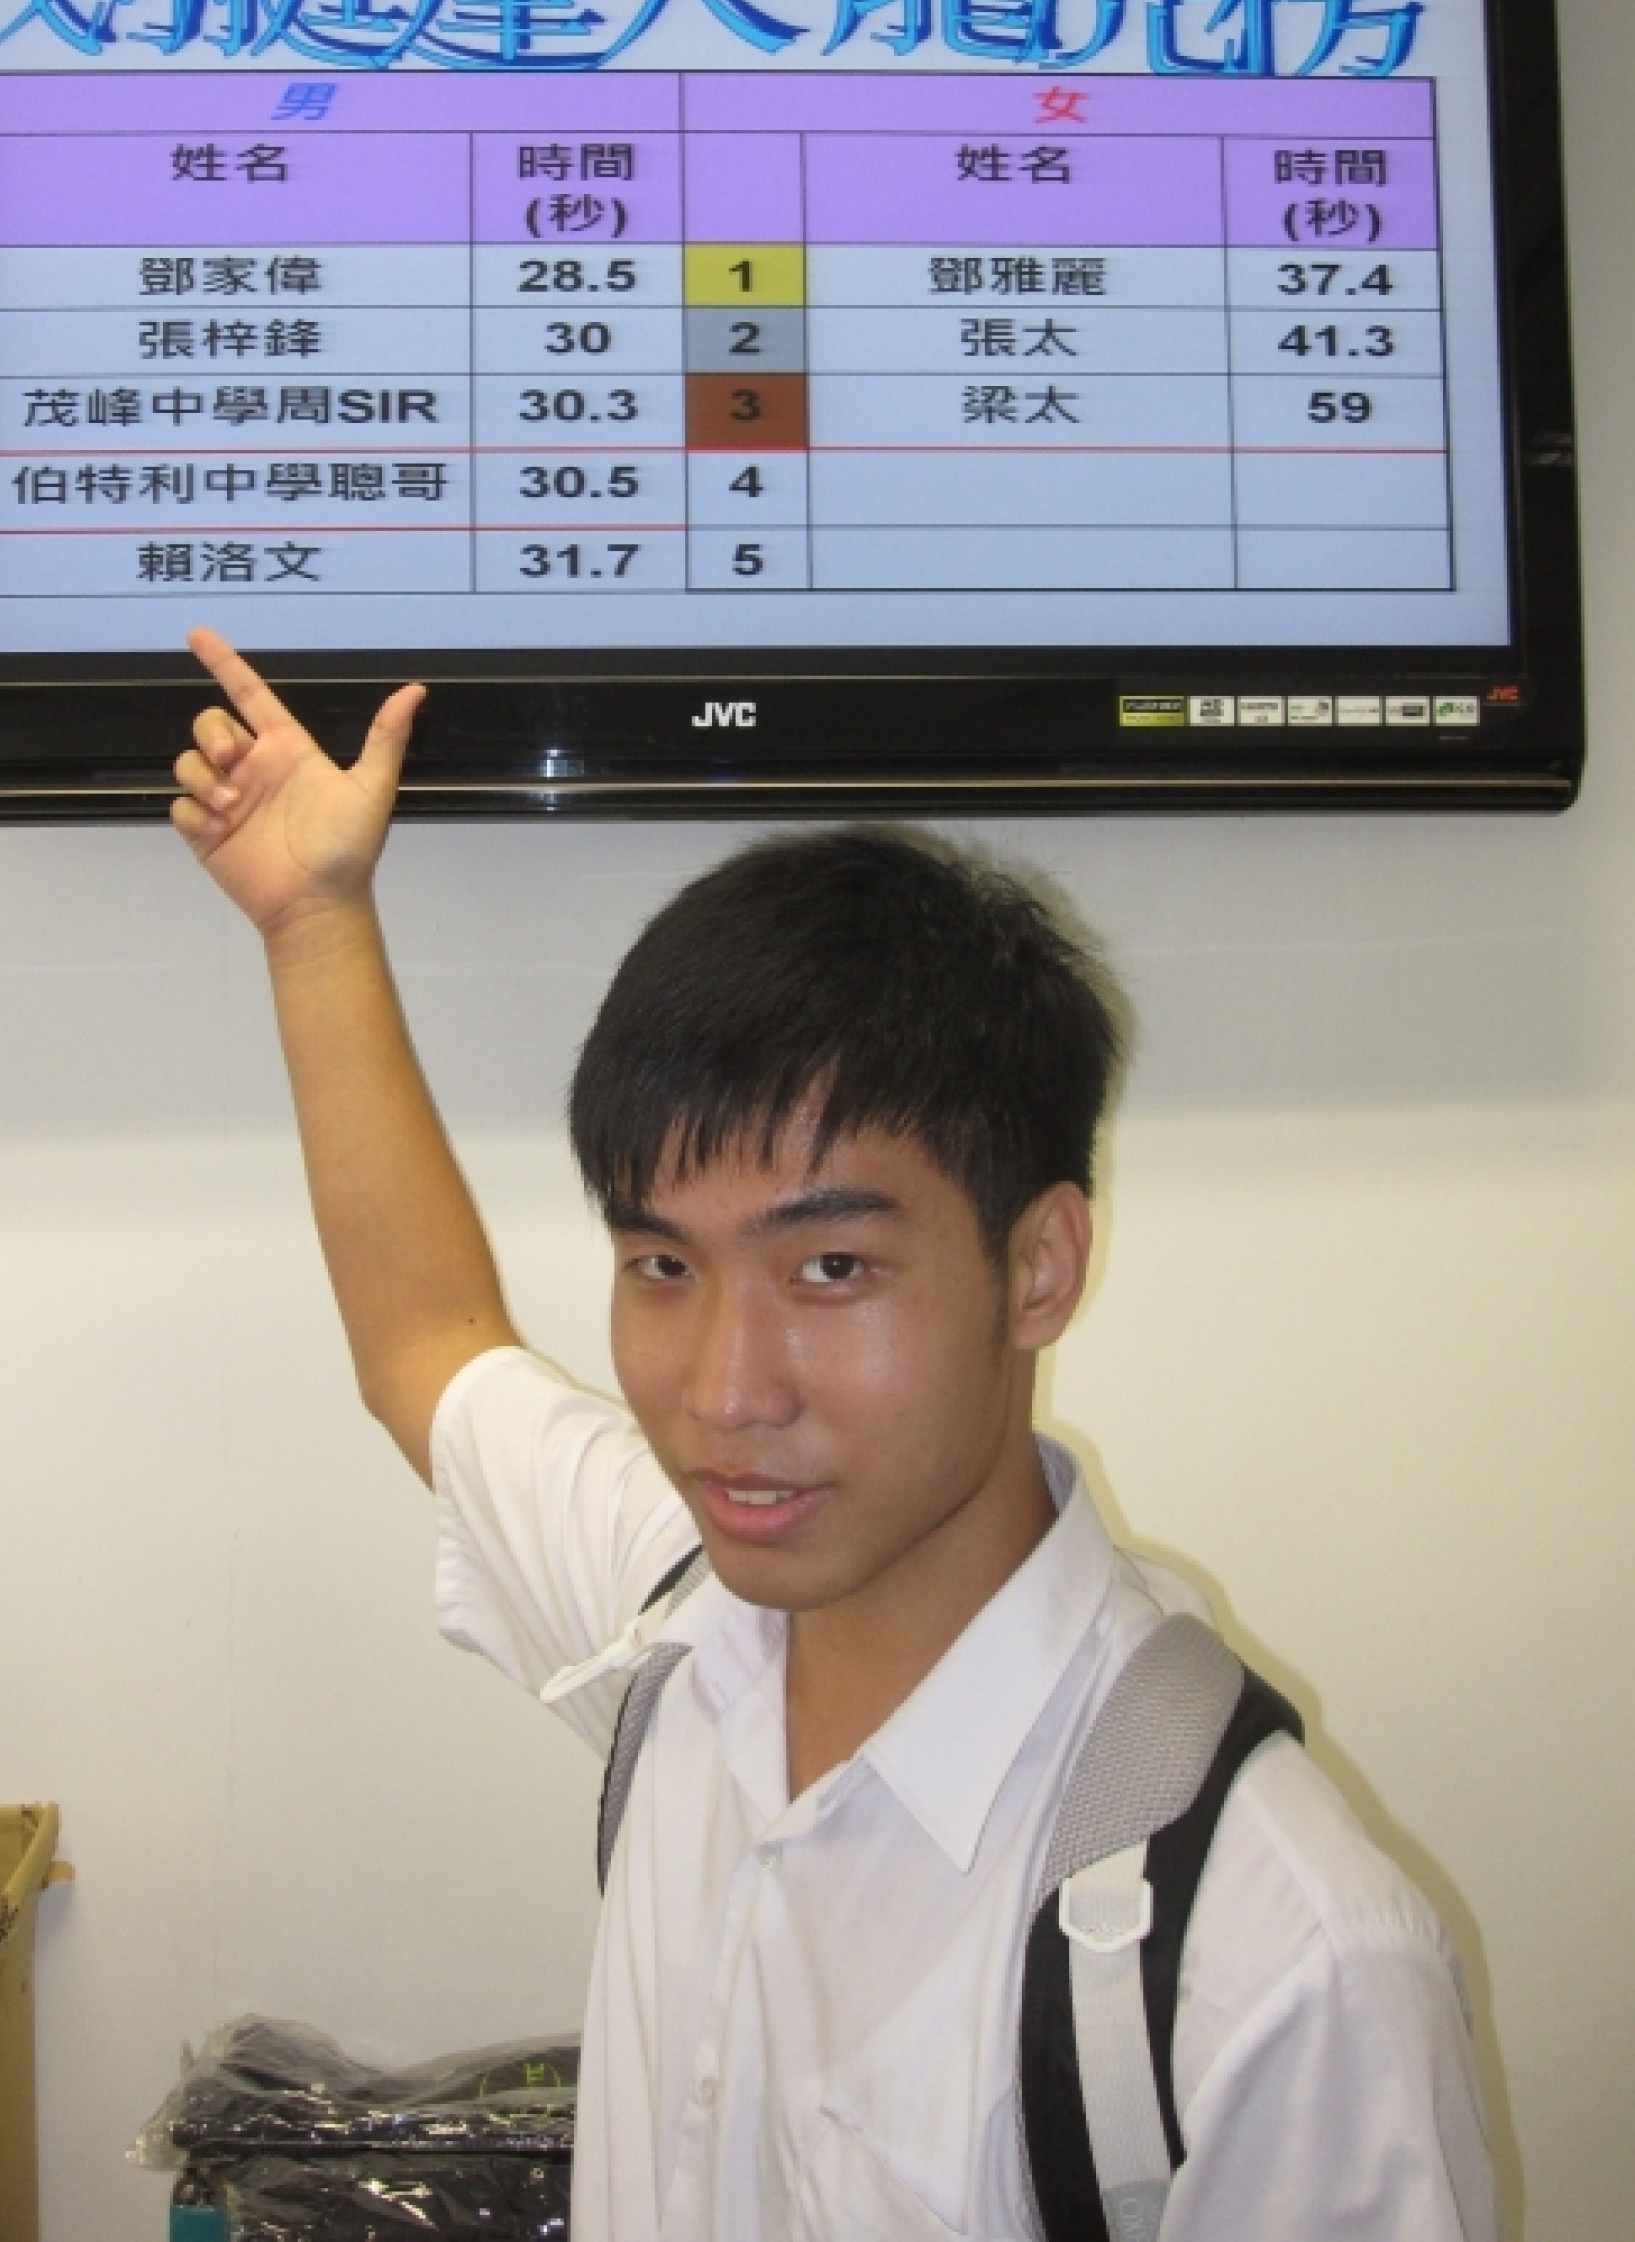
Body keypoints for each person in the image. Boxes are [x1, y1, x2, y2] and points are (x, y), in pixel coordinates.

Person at [170, 625, 1494, 2242]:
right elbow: (425, 1350)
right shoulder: (676, 1636)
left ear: (1039, 1267)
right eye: (664, 1265)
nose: (726, 1392)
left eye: (832, 1269)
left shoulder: (1276, 1959)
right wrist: (312, 922)